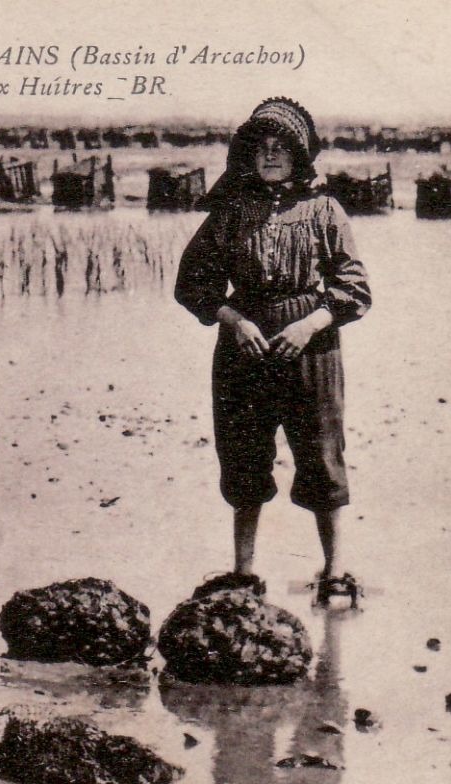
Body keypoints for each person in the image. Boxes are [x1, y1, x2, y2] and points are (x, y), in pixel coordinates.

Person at [174, 97, 372, 601]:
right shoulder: (229, 213)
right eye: (260, 148)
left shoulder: (326, 210)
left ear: (299, 154)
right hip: (244, 351)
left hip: (312, 351)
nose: (270, 156)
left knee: (322, 456)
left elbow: (354, 288)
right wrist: (233, 319)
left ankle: (334, 571)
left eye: (280, 147)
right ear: (247, 156)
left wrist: (309, 326)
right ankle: (244, 573)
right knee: (242, 456)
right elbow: (194, 284)